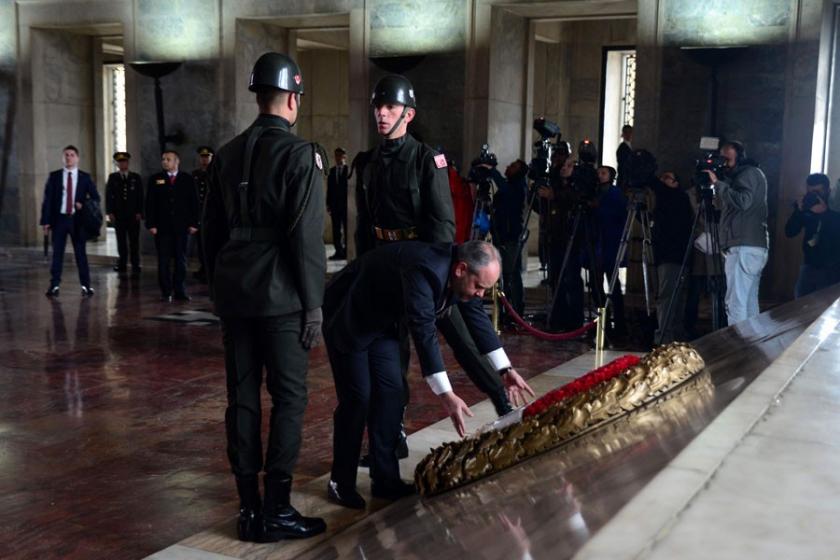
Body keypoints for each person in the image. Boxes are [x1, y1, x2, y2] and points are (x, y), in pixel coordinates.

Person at [202, 52, 327, 543]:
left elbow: (210, 232)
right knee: (291, 399)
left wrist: (219, 285)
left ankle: (248, 511)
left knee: (242, 399)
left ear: (259, 96)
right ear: (293, 99)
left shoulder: (227, 153)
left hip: (235, 296)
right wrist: (313, 302)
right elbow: (305, 237)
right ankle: (277, 508)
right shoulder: (300, 155)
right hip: (281, 298)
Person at [323, 240, 534, 509]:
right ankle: (340, 482)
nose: (481, 294)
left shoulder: (465, 279)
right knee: (358, 399)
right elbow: (424, 331)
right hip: (350, 317)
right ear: (461, 269)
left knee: (391, 395)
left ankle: (385, 480)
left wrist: (506, 369)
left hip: (385, 324)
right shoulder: (425, 270)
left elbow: (477, 319)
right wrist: (446, 394)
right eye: (479, 287)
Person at [355, 73, 514, 423]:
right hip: (384, 270)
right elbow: (364, 227)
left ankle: (503, 401)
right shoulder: (366, 162)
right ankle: (391, 432)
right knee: (389, 357)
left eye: (390, 107)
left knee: (462, 341)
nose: (381, 113)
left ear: (408, 114)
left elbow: (442, 223)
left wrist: (437, 276)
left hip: (428, 269)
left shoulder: (426, 160)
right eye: (378, 107)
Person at [704, 140, 769, 324]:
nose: (724, 164)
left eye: (728, 160)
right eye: (721, 159)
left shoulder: (747, 174)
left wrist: (718, 183)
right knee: (748, 302)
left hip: (743, 246)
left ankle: (738, 350)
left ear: (740, 158)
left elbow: (743, 201)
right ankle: (751, 348)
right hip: (750, 245)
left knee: (735, 303)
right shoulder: (747, 175)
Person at [40, 145, 100, 297]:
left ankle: (86, 285)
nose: (68, 157)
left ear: (77, 158)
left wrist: (83, 203)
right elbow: (47, 200)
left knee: (81, 254)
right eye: (66, 155)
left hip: (77, 220)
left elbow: (95, 198)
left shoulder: (84, 177)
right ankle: (54, 286)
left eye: (72, 155)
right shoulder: (54, 176)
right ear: (62, 157)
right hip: (59, 219)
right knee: (57, 254)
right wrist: (46, 221)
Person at [145, 150, 199, 302]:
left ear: (177, 161)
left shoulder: (187, 179)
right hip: (162, 228)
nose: (164, 162)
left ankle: (180, 290)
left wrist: (194, 223)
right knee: (164, 261)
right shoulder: (156, 179)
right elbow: (150, 203)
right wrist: (151, 224)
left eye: (168, 159)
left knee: (181, 261)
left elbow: (194, 203)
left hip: (182, 227)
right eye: (163, 159)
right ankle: (166, 291)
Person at [651, 171, 693, 342]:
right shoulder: (663, 200)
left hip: (673, 254)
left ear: (676, 183)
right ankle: (672, 334)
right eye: (662, 177)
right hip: (668, 254)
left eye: (667, 177)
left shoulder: (677, 198)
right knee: (670, 296)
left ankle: (664, 336)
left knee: (668, 296)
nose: (663, 180)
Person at [785, 173, 840, 298]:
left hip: (833, 266)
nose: (814, 195)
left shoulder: (836, 206)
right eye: (810, 192)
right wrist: (799, 211)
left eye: (818, 192)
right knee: (801, 303)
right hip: (810, 264)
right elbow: (790, 232)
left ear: (828, 190)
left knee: (825, 307)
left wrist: (825, 213)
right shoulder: (807, 207)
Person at [593, 165, 628, 335]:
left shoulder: (615, 194)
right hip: (598, 244)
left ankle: (619, 322)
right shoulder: (596, 192)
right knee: (596, 285)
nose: (600, 176)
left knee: (613, 285)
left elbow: (615, 216)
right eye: (598, 173)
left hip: (611, 245)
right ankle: (601, 320)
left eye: (603, 173)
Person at [493, 159, 528, 318]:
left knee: (511, 273)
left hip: (511, 235)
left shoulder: (518, 187)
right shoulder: (510, 186)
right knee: (506, 274)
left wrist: (491, 171)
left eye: (513, 166)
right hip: (501, 233)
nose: (508, 166)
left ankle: (515, 311)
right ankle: (506, 310)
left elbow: (505, 190)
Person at [105, 151, 143, 278]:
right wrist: (110, 211)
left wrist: (140, 212)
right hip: (119, 214)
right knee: (121, 241)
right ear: (117, 164)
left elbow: (140, 196)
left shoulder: (135, 177)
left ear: (128, 162)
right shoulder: (113, 177)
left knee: (134, 241)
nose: (122, 164)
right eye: (120, 162)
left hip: (133, 215)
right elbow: (109, 195)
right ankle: (122, 263)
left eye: (124, 161)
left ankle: (135, 264)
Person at [192, 145, 214, 282]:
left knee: (210, 243)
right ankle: (203, 268)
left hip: (211, 214)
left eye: (207, 157)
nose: (204, 160)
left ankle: (210, 270)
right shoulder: (195, 174)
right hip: (198, 213)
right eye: (202, 157)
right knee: (200, 244)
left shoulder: (216, 172)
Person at [327, 147, 349, 260]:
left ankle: (346, 252)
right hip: (335, 206)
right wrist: (328, 204)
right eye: (336, 155)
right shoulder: (332, 171)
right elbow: (329, 189)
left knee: (346, 229)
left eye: (339, 155)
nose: (337, 158)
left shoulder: (348, 170)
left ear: (344, 156)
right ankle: (338, 252)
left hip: (346, 206)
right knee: (336, 230)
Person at [616, 124, 633, 189]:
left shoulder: (631, 146)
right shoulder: (622, 148)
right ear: (623, 134)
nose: (628, 134)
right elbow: (623, 166)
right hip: (624, 179)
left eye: (630, 132)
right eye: (626, 132)